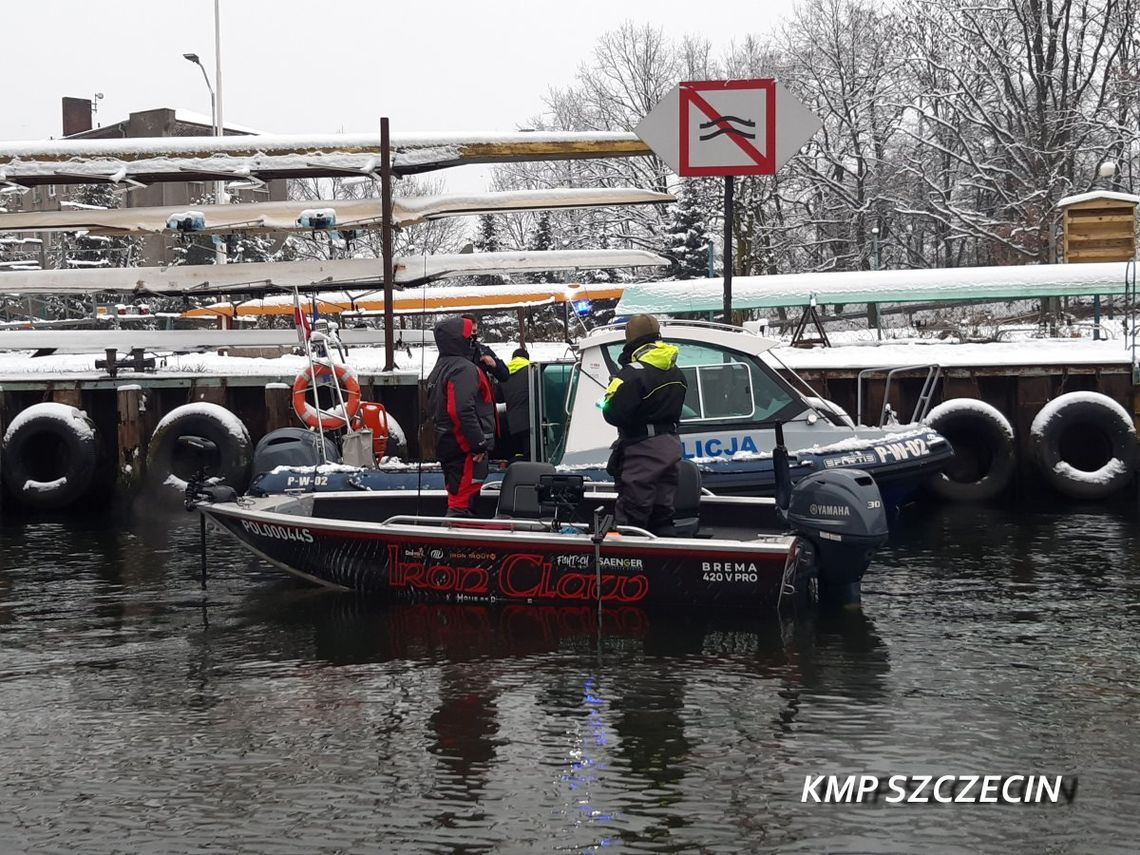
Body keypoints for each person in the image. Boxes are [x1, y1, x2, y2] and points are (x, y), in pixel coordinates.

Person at [600, 314, 687, 536]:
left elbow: (613, 414)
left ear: (631, 340)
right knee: (663, 511)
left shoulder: (631, 373)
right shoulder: (676, 371)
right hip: (671, 446)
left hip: (642, 451)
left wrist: (608, 398)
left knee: (633, 513)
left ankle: (629, 566)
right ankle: (667, 564)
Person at [426, 315, 497, 517]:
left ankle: (460, 538)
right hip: (465, 448)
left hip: (447, 443)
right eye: (469, 336)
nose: (472, 340)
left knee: (458, 495)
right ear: (459, 339)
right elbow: (460, 409)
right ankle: (458, 543)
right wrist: (478, 443)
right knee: (463, 501)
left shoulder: (440, 367)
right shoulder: (463, 369)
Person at [499, 347, 532, 460]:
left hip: (513, 424)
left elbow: (498, 397)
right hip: (530, 423)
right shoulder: (532, 370)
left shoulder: (504, 374)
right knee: (530, 457)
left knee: (519, 455)